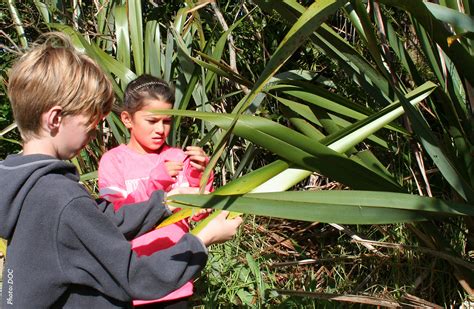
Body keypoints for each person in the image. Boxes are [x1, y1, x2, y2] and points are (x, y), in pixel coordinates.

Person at [0, 32, 242, 308]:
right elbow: (133, 277)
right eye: (89, 122)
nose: (93, 132)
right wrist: (203, 238)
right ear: (55, 119)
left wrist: (167, 202)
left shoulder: (24, 184)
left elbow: (103, 221)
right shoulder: (60, 198)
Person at [98, 74, 214, 308]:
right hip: (131, 283)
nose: (161, 129)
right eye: (152, 121)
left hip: (176, 281)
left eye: (167, 121)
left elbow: (201, 216)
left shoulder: (177, 158)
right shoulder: (114, 161)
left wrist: (202, 175)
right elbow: (115, 219)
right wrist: (155, 183)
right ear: (127, 119)